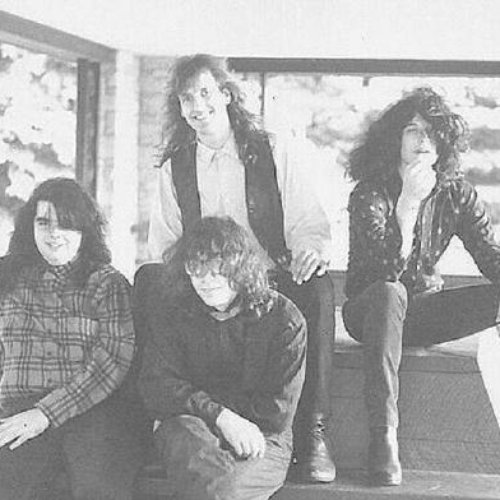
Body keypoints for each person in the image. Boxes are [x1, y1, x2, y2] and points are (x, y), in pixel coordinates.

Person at [147, 53, 336, 482]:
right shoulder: (176, 167)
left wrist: (309, 250)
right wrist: (194, 276)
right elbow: (165, 244)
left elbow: (307, 222)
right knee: (148, 281)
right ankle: (161, 422)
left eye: (205, 93)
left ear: (226, 94)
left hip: (268, 281)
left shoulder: (272, 149)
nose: (197, 105)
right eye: (186, 98)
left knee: (318, 289)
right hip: (207, 283)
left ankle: (313, 431)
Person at [343, 87, 500, 486]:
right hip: (370, 312)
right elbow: (385, 273)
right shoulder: (370, 192)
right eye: (413, 130)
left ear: (444, 141)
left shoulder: (456, 193)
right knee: (390, 292)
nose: (423, 140)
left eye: (432, 132)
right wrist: (408, 206)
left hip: (424, 312)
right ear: (394, 138)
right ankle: (383, 438)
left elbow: (490, 257)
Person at [136, 216, 306, 499]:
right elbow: (156, 385)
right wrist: (222, 417)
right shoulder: (173, 309)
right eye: (196, 268)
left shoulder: (285, 320)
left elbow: (277, 413)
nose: (206, 280)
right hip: (190, 429)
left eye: (217, 269)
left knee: (222, 488)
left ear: (241, 268)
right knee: (206, 470)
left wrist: (214, 412)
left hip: (262, 436)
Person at [0, 178, 146, 499]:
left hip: (94, 411)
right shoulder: (6, 279)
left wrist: (45, 414)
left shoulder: (107, 283)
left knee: (97, 486)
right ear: (30, 227)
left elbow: (112, 363)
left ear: (85, 231)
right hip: (18, 409)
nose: (54, 234)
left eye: (66, 224)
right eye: (44, 222)